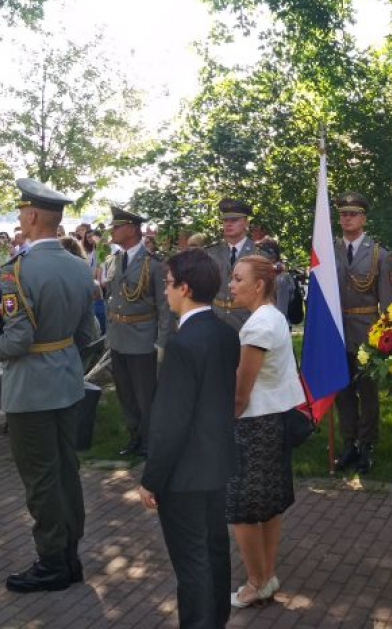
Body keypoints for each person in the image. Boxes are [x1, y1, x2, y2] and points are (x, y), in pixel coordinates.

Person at [0, 178, 99, 593]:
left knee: (41, 478)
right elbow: (89, 333)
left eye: (21, 212)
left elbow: (16, 341)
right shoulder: (79, 266)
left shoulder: (17, 270)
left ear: (32, 216)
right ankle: (69, 556)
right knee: (66, 470)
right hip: (67, 383)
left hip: (31, 389)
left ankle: (52, 563)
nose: (20, 218)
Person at [138, 248, 239, 629]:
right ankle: (216, 619)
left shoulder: (182, 344)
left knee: (192, 560)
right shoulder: (225, 333)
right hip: (216, 463)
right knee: (214, 551)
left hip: (184, 473)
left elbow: (171, 421)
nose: (165, 290)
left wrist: (152, 478)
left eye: (168, 283)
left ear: (185, 288)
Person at [227, 255, 306, 607]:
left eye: (237, 278)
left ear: (258, 285)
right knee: (269, 505)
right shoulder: (273, 316)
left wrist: (222, 422)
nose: (231, 285)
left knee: (242, 510)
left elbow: (240, 393)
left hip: (255, 425)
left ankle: (256, 583)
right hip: (275, 419)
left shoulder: (258, 326)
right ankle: (267, 576)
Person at [333, 191, 392, 474]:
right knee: (342, 391)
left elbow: (388, 304)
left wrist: (385, 337)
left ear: (363, 218)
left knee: (368, 393)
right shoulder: (328, 250)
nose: (347, 218)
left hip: (367, 332)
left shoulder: (380, 254)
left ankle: (367, 444)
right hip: (336, 331)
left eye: (353, 214)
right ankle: (349, 443)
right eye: (343, 214)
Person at [106, 206, 172, 456]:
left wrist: (162, 341)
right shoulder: (115, 259)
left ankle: (149, 440)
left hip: (143, 337)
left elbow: (165, 307)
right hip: (118, 336)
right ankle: (133, 435)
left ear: (132, 230)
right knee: (125, 392)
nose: (112, 231)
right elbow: (112, 298)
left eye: (117, 227)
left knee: (145, 394)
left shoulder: (154, 264)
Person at [206, 198, 257, 331]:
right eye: (225, 220)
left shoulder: (258, 252)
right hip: (215, 319)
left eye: (234, 220)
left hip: (247, 320)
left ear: (246, 222)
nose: (228, 224)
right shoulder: (210, 252)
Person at [255, 238, 296, 322]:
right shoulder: (265, 275)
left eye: (261, 253)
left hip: (274, 326)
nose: (257, 256)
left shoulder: (281, 278)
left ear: (273, 256)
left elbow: (281, 313)